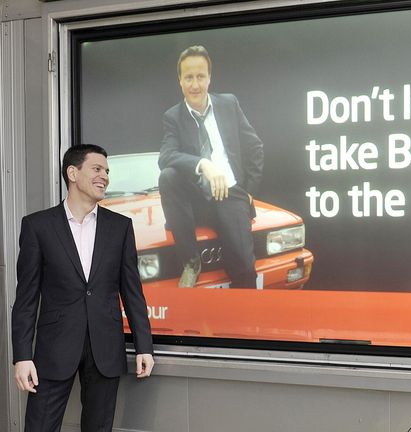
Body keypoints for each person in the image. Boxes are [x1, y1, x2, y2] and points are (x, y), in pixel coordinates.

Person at [12, 144, 155, 432]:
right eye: (97, 169)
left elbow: (132, 292)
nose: (105, 176)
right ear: (73, 173)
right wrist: (22, 356)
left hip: (105, 346)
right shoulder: (37, 226)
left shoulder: (120, 227)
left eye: (107, 171)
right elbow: (26, 298)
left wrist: (144, 347)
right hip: (54, 348)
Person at [158, 45, 264, 288]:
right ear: (180, 81)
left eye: (200, 76)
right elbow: (166, 155)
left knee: (245, 269)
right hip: (195, 197)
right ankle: (191, 262)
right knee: (168, 176)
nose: (195, 85)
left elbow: (255, 146)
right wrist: (203, 164)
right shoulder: (172, 116)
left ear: (209, 78)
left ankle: (242, 322)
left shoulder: (229, 104)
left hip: (230, 194)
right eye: (188, 77)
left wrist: (248, 191)